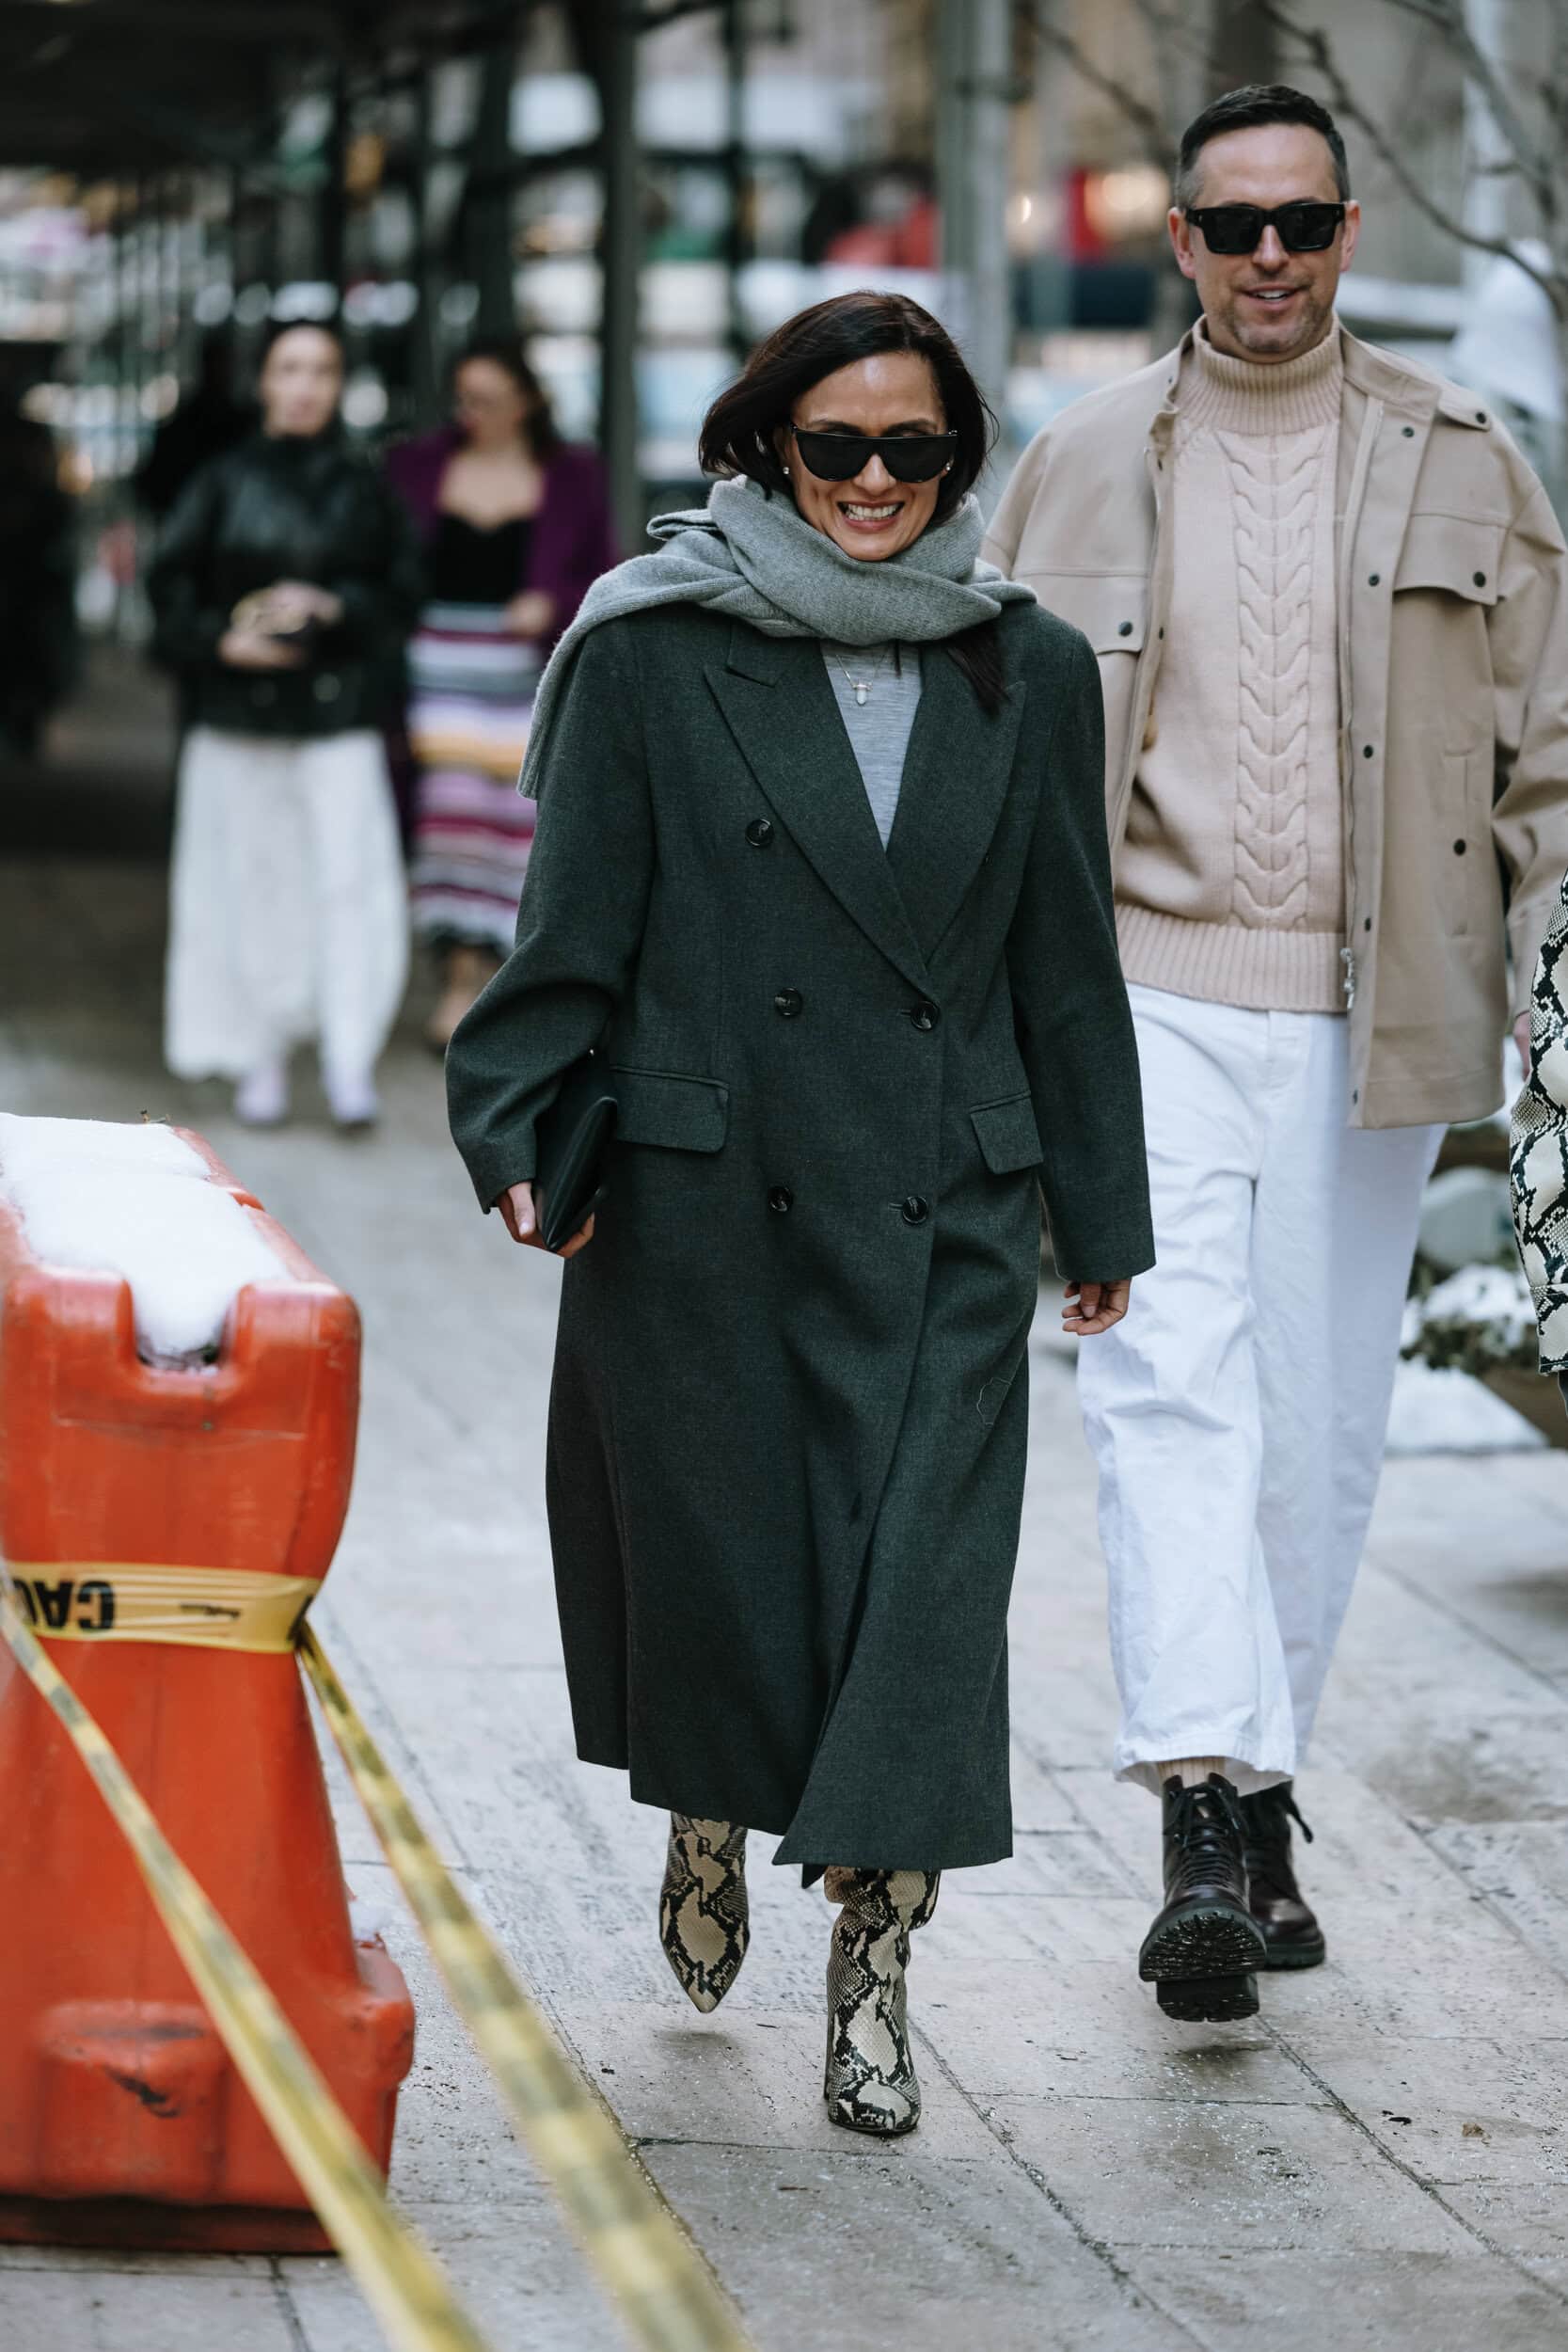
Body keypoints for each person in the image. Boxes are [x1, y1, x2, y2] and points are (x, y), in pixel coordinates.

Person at [445, 291, 1154, 2137]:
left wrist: (1100, 1207)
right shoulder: (654, 646)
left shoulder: (1027, 660)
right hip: (705, 1184)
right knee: (737, 1568)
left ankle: (874, 1968)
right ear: (766, 444)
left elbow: (1059, 958)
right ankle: (706, 1797)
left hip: (945, 1198)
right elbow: (570, 923)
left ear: (952, 458)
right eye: (830, 444)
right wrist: (512, 1121)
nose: (868, 481)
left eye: (907, 449)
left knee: (919, 1594)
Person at [984, 83, 1568, 2024]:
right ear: (1173, 241)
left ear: (1333, 234)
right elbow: (993, 765)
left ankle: (1259, 1785)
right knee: (1159, 1386)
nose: (1260, 260)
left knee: (1311, 1437)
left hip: (1368, 1011)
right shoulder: (1069, 462)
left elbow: (1548, 757)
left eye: (1295, 226)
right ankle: (1201, 1820)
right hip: (1135, 991)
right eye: (1224, 226)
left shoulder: (1463, 461)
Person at [150, 320, 423, 1131]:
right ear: (264, 380)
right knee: (242, 885)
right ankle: (258, 1051)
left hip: (335, 719)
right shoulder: (220, 481)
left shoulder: (365, 488)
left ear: (340, 383)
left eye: (322, 369)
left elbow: (402, 596)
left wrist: (331, 607)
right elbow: (167, 595)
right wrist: (221, 642)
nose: (304, 385)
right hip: (233, 720)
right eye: (289, 367)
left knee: (350, 884)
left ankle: (348, 1057)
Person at [386, 342, 615, 1051]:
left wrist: (547, 602)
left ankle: (495, 974)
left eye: (486, 399)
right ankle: (457, 979)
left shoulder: (572, 474)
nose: (471, 414)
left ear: (526, 401)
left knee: (517, 820)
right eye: (463, 399)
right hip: (439, 665)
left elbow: (604, 576)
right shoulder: (419, 466)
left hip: (524, 672)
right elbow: (389, 562)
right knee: (452, 816)